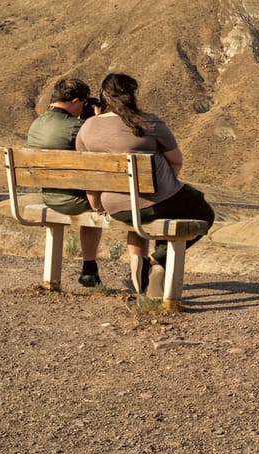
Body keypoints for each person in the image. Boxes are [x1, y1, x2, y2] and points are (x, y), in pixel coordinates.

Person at [76, 71, 216, 294]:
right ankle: (155, 261)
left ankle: (140, 274)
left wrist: (96, 206)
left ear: (104, 95)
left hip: (117, 207)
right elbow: (176, 161)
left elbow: (89, 175)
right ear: (133, 95)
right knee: (204, 213)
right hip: (157, 200)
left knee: (140, 219)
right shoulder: (148, 121)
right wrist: (167, 185)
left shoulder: (87, 127)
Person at [27, 76, 104, 288]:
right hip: (75, 201)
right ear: (76, 101)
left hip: (49, 196)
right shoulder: (76, 128)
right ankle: (89, 266)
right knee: (97, 202)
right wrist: (95, 121)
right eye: (83, 103)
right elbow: (101, 154)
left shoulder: (36, 124)